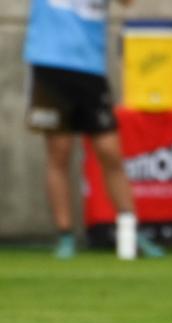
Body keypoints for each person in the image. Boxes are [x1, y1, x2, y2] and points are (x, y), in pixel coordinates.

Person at [23, 0, 164, 259]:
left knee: (110, 152)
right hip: (49, 63)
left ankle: (130, 230)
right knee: (59, 153)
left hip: (90, 68)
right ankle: (65, 234)